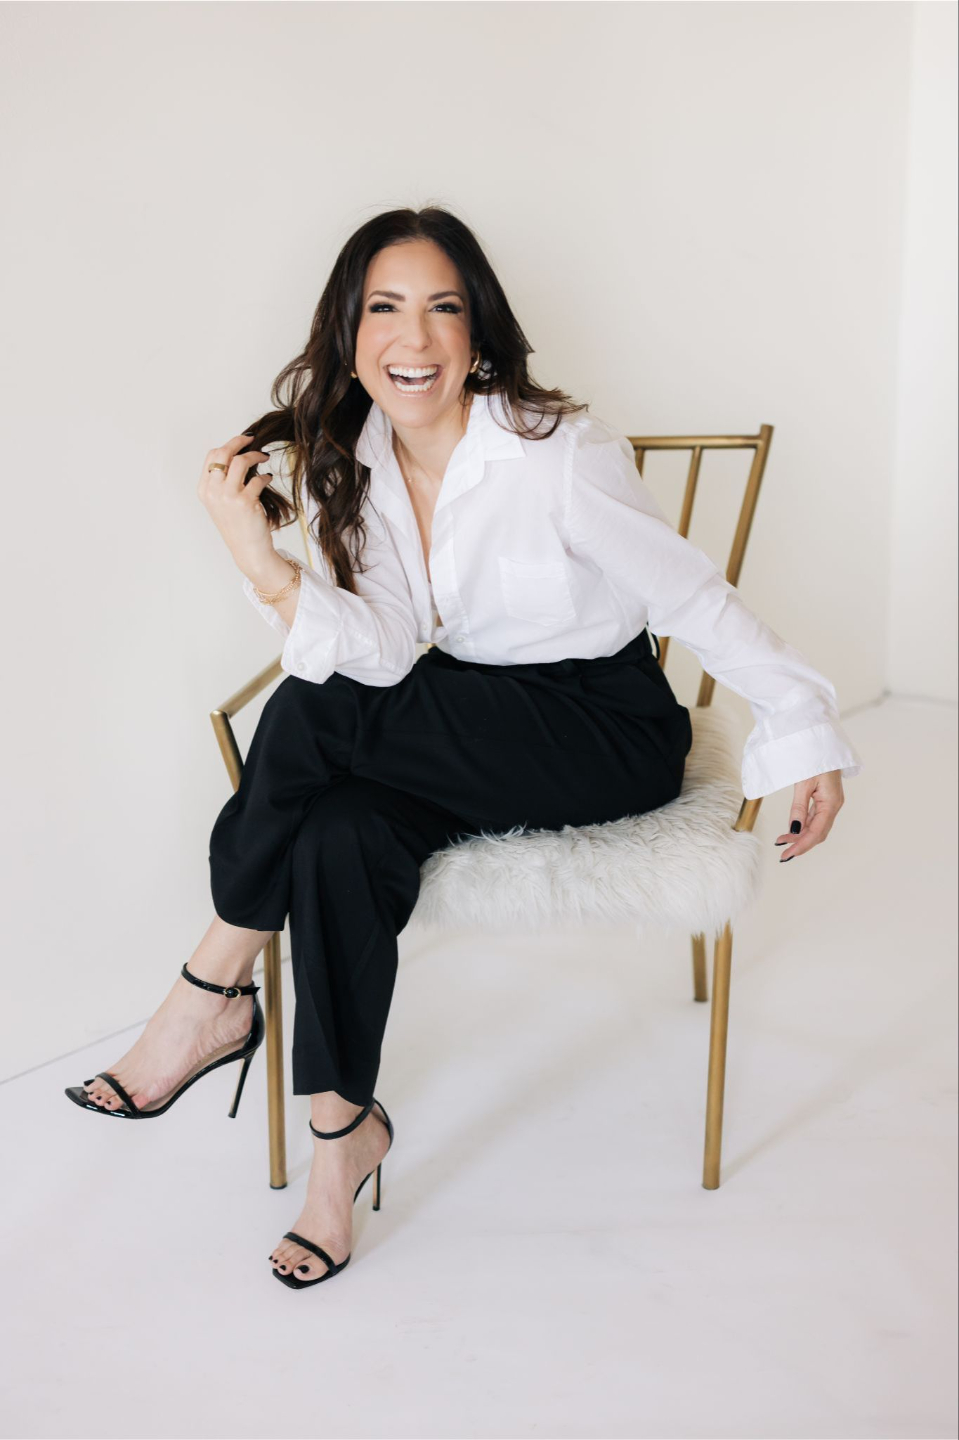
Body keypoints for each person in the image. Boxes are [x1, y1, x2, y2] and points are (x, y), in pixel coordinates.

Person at [65, 207, 863, 1290]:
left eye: (443, 307)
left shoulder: (555, 454)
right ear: (350, 334)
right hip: (467, 728)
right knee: (339, 832)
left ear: (476, 332)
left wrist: (802, 729)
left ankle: (210, 991)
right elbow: (382, 651)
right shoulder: (361, 463)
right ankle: (341, 1141)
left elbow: (691, 596)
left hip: (602, 727)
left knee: (310, 711)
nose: (415, 337)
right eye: (385, 309)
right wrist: (262, 562)